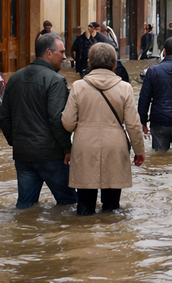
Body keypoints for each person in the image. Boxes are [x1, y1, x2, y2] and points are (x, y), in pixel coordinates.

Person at [62, 42, 146, 215]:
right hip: (115, 148)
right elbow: (133, 125)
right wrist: (139, 151)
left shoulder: (78, 87)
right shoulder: (125, 88)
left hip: (85, 148)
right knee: (112, 209)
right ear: (114, 64)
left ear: (89, 63)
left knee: (84, 209)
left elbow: (68, 123)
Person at [0, 32, 78, 210]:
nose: (64, 57)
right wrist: (67, 148)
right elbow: (57, 119)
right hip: (52, 155)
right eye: (61, 52)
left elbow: (4, 118)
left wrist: (16, 142)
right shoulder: (56, 81)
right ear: (49, 53)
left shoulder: (14, 78)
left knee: (25, 207)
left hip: (23, 155)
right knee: (69, 205)